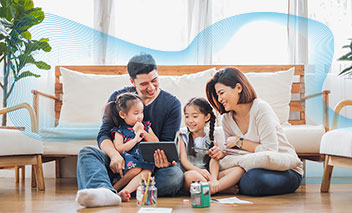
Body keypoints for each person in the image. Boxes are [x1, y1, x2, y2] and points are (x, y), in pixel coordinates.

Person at [76, 53, 183, 208]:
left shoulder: (172, 104)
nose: (151, 87)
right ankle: (104, 192)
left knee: (174, 176)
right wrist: (114, 156)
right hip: (120, 163)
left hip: (150, 168)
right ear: (132, 81)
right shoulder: (120, 98)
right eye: (144, 84)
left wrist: (163, 161)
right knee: (87, 153)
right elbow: (104, 134)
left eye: (154, 80)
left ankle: (112, 190)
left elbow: (166, 143)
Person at [205, 67, 303, 196]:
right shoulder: (226, 119)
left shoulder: (261, 109)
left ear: (238, 88)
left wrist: (240, 142)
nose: (219, 99)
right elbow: (233, 153)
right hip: (250, 168)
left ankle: (225, 185)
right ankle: (225, 184)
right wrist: (223, 154)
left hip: (284, 170)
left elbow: (270, 151)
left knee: (253, 181)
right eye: (217, 95)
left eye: (221, 93)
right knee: (247, 177)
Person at [177, 97, 241, 194]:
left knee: (238, 170)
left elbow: (214, 159)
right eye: (187, 116)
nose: (190, 120)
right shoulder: (183, 134)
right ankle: (221, 189)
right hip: (191, 174)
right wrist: (199, 171)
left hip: (208, 174)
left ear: (206, 117)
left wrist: (214, 179)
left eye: (194, 116)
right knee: (192, 176)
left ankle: (214, 187)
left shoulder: (210, 136)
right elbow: (184, 160)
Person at [106, 93, 158, 202]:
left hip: (145, 160)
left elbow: (156, 142)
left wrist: (143, 131)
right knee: (136, 169)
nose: (140, 116)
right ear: (122, 114)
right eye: (136, 113)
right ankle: (113, 189)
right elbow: (119, 148)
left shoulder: (146, 126)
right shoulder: (120, 131)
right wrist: (135, 140)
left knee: (147, 173)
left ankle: (125, 192)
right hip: (130, 160)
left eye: (141, 112)